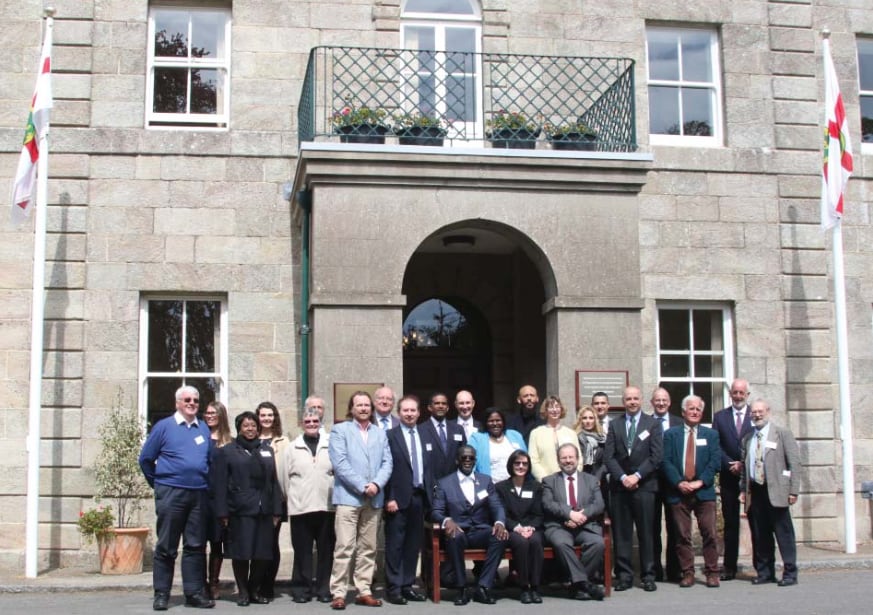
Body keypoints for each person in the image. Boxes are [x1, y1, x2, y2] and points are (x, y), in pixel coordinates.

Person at [138, 385, 214, 610]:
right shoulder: (164, 427)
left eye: (196, 400)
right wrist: (160, 485)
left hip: (198, 493)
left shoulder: (203, 429)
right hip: (171, 492)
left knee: (195, 545)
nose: (192, 403)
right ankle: (162, 594)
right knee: (167, 546)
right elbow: (146, 459)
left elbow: (208, 460)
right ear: (177, 403)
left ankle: (193, 593)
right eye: (187, 400)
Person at [211, 411, 284, 606]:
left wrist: (277, 510)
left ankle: (254, 590)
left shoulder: (266, 449)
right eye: (246, 426)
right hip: (240, 509)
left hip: (264, 509)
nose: (250, 429)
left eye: (253, 425)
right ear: (239, 428)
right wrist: (222, 512)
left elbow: (273, 481)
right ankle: (242, 591)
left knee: (262, 553)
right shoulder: (227, 451)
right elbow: (220, 484)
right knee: (242, 553)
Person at [328, 392, 393, 610]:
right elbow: (340, 463)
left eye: (367, 405)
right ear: (352, 408)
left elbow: (387, 463)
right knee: (344, 546)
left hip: (374, 498)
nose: (364, 408)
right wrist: (362, 485)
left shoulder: (380, 434)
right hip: (348, 497)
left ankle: (363, 590)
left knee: (369, 547)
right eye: (359, 405)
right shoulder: (340, 430)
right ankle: (338, 592)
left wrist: (376, 484)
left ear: (371, 408)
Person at [431, 446, 509, 606]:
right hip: (459, 531)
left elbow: (497, 506)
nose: (467, 460)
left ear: (475, 461)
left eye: (471, 458)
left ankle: (483, 586)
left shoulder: (486, 480)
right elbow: (436, 511)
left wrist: (500, 522)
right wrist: (447, 520)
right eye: (464, 457)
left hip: (480, 531)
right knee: (453, 536)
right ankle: (461, 588)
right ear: (457, 460)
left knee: (500, 536)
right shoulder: (444, 483)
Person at [604, 385, 663, 592]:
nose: (632, 402)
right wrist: (622, 477)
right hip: (620, 488)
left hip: (645, 486)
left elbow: (656, 456)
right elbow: (608, 456)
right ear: (623, 401)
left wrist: (637, 476)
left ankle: (648, 575)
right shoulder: (615, 424)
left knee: (647, 532)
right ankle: (624, 575)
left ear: (641, 400)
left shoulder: (653, 424)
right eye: (628, 399)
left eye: (635, 398)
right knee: (622, 533)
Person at [661, 395, 721, 588]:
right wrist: (679, 482)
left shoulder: (711, 435)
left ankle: (712, 572)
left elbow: (715, 462)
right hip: (679, 491)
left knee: (709, 533)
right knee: (682, 535)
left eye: (698, 409)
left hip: (704, 491)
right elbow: (666, 461)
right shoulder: (671, 434)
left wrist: (700, 482)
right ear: (683, 412)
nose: (695, 412)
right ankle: (687, 572)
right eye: (691, 409)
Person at [739, 399, 801, 587]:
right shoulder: (748, 438)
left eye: (760, 411)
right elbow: (744, 467)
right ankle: (765, 572)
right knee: (760, 534)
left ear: (768, 411)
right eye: (754, 412)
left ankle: (790, 572)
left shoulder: (781, 434)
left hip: (777, 491)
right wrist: (743, 489)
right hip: (755, 492)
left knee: (783, 534)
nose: (757, 415)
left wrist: (793, 490)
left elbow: (794, 463)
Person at [281, 407, 335, 603]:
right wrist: (294, 498)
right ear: (302, 424)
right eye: (308, 421)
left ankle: (323, 589)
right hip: (300, 507)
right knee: (302, 551)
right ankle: (302, 589)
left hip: (326, 506)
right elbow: (284, 478)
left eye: (315, 421)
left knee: (326, 551)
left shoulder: (331, 445)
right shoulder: (292, 448)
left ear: (320, 423)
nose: (312, 424)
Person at [541, 443, 606, 602]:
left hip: (585, 525)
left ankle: (576, 585)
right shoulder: (549, 481)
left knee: (598, 543)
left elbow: (599, 504)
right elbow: (548, 504)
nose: (568, 460)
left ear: (578, 459)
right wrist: (569, 514)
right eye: (564, 458)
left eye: (571, 457)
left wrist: (580, 516)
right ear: (558, 460)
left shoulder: (591, 480)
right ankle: (585, 584)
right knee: (562, 543)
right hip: (559, 526)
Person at [383, 395, 430, 605]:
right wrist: (389, 497)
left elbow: (432, 468)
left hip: (420, 497)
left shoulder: (425, 434)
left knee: (413, 544)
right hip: (397, 498)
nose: (409, 414)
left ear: (419, 413)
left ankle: (407, 584)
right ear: (399, 413)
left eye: (413, 410)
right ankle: (393, 588)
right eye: (405, 411)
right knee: (395, 545)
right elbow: (385, 469)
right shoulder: (390, 436)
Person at [712, 378, 754, 580]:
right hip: (729, 477)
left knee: (757, 522)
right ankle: (729, 567)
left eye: (741, 393)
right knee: (730, 525)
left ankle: (761, 565)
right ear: (730, 394)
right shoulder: (720, 417)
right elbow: (715, 444)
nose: (738, 396)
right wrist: (731, 464)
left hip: (752, 479)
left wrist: (743, 464)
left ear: (747, 395)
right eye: (735, 392)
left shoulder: (755, 415)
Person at [495, 450, 545, 604]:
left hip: (532, 528)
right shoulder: (501, 487)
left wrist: (531, 528)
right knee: (522, 543)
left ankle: (535, 587)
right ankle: (524, 587)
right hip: (512, 529)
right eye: (517, 463)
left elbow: (539, 514)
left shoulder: (536, 487)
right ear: (511, 465)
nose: (521, 466)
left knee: (536, 542)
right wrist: (516, 527)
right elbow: (502, 513)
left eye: (524, 463)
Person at [256, 401, 288, 601]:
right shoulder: (251, 439)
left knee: (271, 543)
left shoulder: (284, 441)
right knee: (257, 543)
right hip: (255, 499)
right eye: (263, 415)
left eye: (270, 415)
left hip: (276, 498)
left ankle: (268, 586)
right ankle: (256, 583)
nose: (267, 418)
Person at [649, 387, 682, 583]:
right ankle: (654, 570)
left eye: (664, 400)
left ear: (669, 403)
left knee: (674, 527)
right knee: (652, 528)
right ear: (652, 402)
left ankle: (674, 569)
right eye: (657, 400)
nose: (661, 403)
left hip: (673, 482)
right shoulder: (645, 422)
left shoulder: (678, 422)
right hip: (651, 481)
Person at [203, 401, 232, 599]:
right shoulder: (200, 436)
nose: (209, 416)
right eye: (207, 413)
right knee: (197, 543)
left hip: (220, 498)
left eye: (213, 413)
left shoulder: (229, 441)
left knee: (216, 542)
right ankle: (199, 582)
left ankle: (214, 583)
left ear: (221, 415)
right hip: (201, 495)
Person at [419, 392, 467, 501]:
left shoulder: (458, 429)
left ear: (448, 408)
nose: (440, 406)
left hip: (455, 484)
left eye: (443, 403)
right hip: (431, 486)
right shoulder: (420, 430)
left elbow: (463, 456)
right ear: (430, 407)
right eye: (437, 403)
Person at [528, 396, 581, 481]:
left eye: (557, 406)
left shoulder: (571, 433)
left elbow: (579, 458)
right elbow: (533, 460)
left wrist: (573, 477)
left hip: (569, 481)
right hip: (545, 482)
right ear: (545, 410)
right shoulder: (536, 433)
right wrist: (545, 479)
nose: (554, 410)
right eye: (551, 407)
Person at [468, 408, 526, 482]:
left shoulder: (515, 435)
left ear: (503, 422)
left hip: (515, 485)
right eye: (491, 421)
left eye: (498, 420)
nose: (495, 424)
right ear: (485, 422)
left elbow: (525, 459)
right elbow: (470, 463)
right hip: (490, 487)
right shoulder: (477, 439)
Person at [573, 405, 605, 482]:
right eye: (584, 418)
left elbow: (606, 462)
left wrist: (598, 477)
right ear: (580, 420)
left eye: (591, 418)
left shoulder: (602, 438)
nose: (588, 421)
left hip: (599, 479)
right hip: (580, 478)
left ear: (595, 420)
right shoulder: (574, 437)